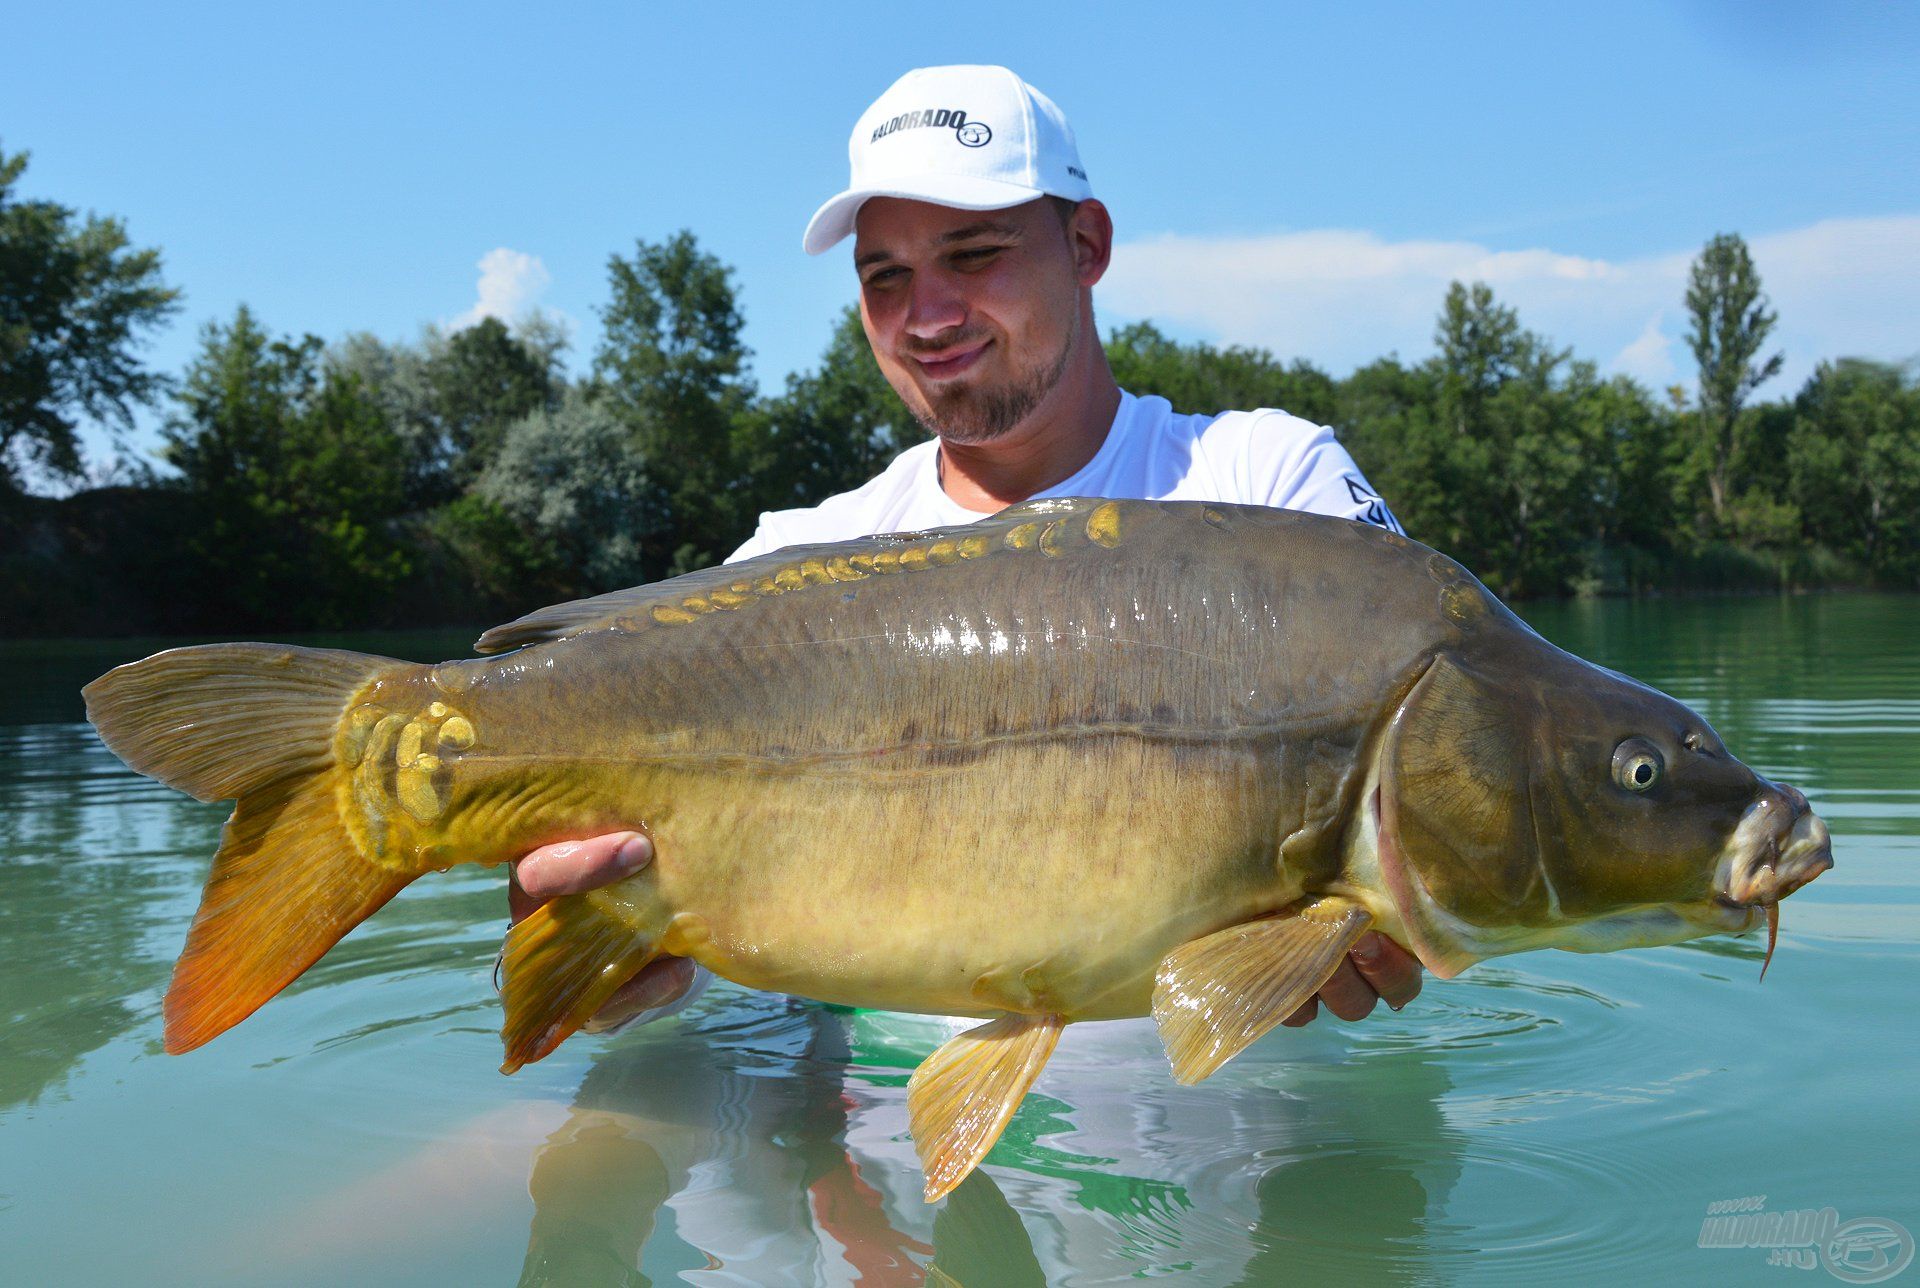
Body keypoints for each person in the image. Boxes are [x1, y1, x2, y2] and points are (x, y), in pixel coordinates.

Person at [508, 63, 1424, 1036]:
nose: (929, 316)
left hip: (1258, 1156)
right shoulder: (793, 561)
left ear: (1087, 244)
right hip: (873, 1135)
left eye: (975, 253)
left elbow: (1440, 786)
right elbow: (651, 977)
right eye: (885, 277)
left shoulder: (1271, 485)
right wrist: (591, 967)